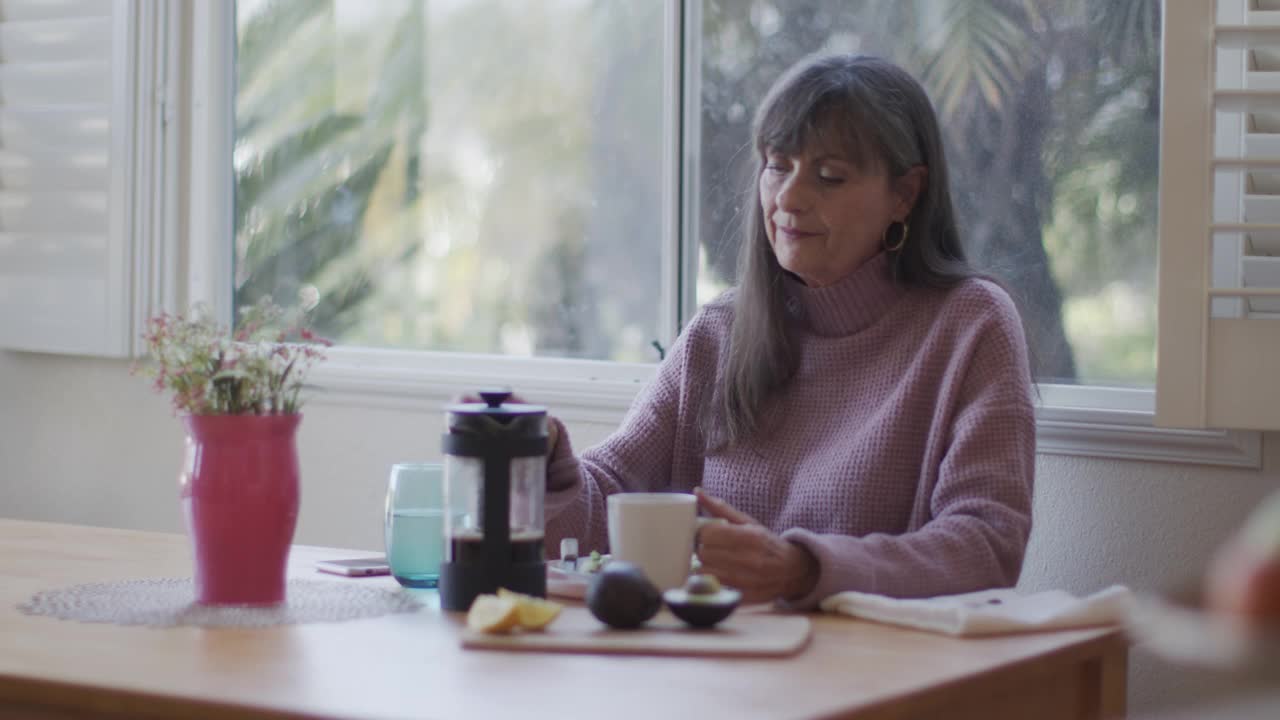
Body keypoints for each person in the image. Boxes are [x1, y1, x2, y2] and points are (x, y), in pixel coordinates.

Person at [541, 54, 1035, 609]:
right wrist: (548, 467)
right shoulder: (719, 333)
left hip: (879, 674)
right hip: (717, 670)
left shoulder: (971, 324)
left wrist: (804, 570)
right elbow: (610, 500)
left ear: (905, 194)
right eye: (777, 165)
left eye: (829, 176)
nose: (789, 198)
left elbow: (988, 544)